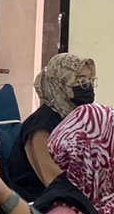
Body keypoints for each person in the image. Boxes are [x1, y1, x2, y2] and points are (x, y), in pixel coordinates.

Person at [6, 53, 96, 202]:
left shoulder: (77, 119)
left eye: (90, 80)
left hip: (70, 196)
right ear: (60, 83)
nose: (87, 86)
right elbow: (53, 180)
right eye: (80, 80)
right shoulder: (40, 126)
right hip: (36, 203)